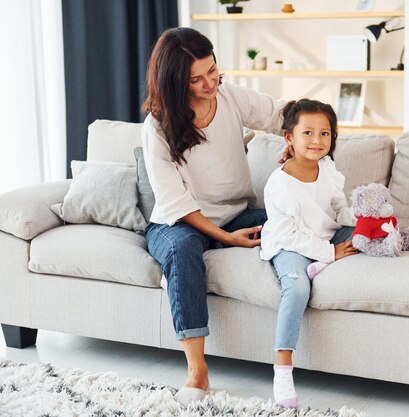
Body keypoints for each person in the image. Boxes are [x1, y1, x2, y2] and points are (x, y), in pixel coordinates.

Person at [141, 27, 286, 405]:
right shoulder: (157, 126)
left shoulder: (230, 96)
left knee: (296, 221)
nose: (210, 83)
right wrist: (226, 239)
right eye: (197, 79)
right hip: (177, 223)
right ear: (175, 82)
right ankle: (197, 372)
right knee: (183, 252)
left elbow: (279, 115)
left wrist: (297, 140)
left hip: (236, 212)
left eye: (213, 71)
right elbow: (176, 203)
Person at [260, 99, 359, 408]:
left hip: (325, 235)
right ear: (289, 137)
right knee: (297, 287)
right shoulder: (280, 185)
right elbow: (291, 235)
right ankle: (283, 368)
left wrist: (361, 218)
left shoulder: (327, 168)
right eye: (308, 133)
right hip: (291, 245)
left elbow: (338, 208)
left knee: (372, 237)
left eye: (325, 134)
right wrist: (329, 253)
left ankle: (321, 265)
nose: (318, 141)